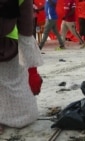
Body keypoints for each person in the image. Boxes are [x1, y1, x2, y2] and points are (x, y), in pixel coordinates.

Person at [0, 0, 43, 134]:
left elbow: (26, 33)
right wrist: (32, 70)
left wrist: (32, 71)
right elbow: (26, 32)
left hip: (8, 47)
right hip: (9, 46)